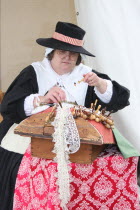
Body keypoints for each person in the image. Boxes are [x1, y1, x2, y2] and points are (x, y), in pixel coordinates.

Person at [0, 21, 138, 210]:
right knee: (20, 164)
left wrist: (99, 84)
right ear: (52, 52)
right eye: (62, 51)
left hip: (79, 136)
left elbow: (122, 98)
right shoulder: (34, 72)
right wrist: (42, 98)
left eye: (73, 53)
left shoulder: (86, 74)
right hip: (33, 133)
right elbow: (9, 105)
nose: (67, 56)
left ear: (79, 56)